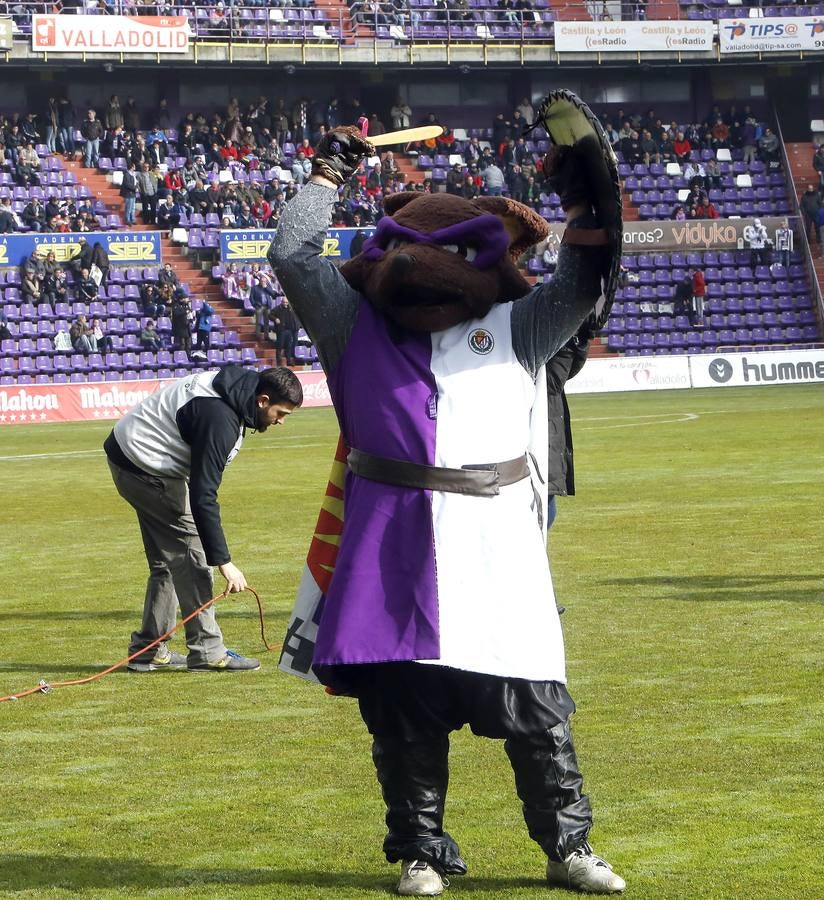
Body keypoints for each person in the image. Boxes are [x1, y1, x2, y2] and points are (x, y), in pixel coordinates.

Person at [270, 119, 625, 897]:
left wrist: (589, 199)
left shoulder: (517, 325)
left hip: (496, 543)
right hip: (389, 543)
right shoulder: (351, 324)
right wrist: (328, 176)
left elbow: (583, 283)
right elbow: (292, 254)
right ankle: (420, 852)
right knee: (403, 716)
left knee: (534, 706)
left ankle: (568, 847)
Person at [103, 367, 303, 672]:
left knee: (166, 562)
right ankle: (208, 651)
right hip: (145, 468)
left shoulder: (237, 386)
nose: (281, 422)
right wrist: (224, 562)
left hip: (128, 456)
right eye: (281, 413)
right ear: (263, 400)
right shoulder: (219, 419)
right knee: (191, 558)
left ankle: (148, 650)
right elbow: (203, 494)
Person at [272, 297, 299, 366]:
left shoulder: (290, 308)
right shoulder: (277, 309)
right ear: (281, 302)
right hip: (281, 330)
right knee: (279, 346)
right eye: (284, 302)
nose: (285, 304)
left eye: (286, 302)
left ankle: (289, 361)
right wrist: (275, 319)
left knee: (289, 346)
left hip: (289, 330)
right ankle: (279, 363)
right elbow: (270, 315)